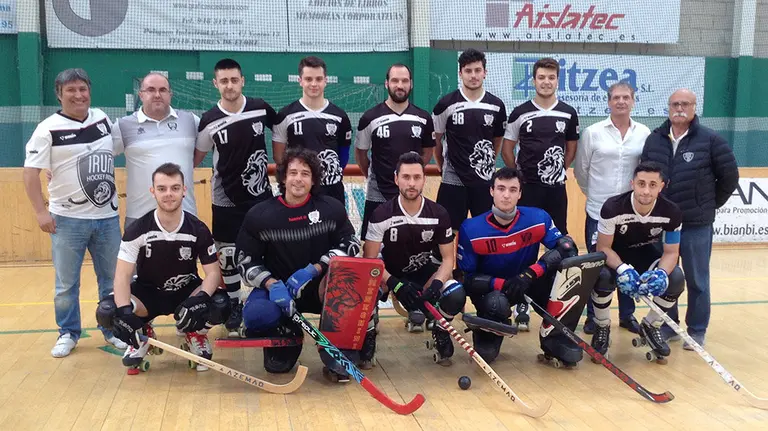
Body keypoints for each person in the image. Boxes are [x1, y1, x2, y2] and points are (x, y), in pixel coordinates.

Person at [23, 68, 125, 357]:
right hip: (67, 221)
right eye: (71, 90)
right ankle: (68, 332)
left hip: (106, 219)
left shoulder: (103, 119)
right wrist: (41, 212)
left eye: (82, 89)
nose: (78, 95)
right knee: (66, 284)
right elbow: (30, 174)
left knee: (112, 280)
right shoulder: (47, 129)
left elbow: (112, 149)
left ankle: (112, 329)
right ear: (59, 94)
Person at [235, 147, 362, 382]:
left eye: (305, 173)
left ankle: (336, 344)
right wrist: (271, 283)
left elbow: (351, 244)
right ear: (283, 177)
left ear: (313, 180)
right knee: (256, 316)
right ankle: (287, 328)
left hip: (319, 287)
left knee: (352, 290)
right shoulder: (260, 215)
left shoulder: (330, 208)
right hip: (280, 291)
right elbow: (243, 261)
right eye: (293, 172)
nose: (298, 179)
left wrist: (315, 269)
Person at [96, 163, 227, 371]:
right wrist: (125, 314)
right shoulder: (137, 229)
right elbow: (122, 275)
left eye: (175, 188)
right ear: (153, 191)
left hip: (185, 294)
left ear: (184, 191)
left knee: (221, 303)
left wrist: (200, 300)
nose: (168, 194)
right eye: (162, 188)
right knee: (107, 311)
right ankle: (141, 335)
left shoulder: (198, 229)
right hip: (147, 295)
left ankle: (196, 333)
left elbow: (212, 273)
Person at [641, 89, 739, 348]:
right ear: (668, 107)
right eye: (674, 104)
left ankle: (696, 330)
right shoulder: (654, 139)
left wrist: (708, 205)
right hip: (663, 224)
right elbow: (645, 177)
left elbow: (730, 177)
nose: (679, 108)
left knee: (697, 280)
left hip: (697, 224)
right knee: (665, 278)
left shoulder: (711, 140)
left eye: (685, 104)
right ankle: (668, 326)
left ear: (695, 107)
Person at [457, 167, 578, 363]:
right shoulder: (471, 229)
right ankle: (487, 334)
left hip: (528, 282)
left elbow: (567, 249)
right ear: (491, 191)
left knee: (570, 280)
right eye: (501, 189)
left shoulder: (538, 218)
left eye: (513, 190)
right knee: (496, 306)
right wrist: (502, 285)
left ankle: (554, 340)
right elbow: (467, 279)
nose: (506, 195)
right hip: (493, 292)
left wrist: (531, 273)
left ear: (520, 193)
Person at [194, 59, 277, 337]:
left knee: (266, 251)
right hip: (225, 198)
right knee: (227, 255)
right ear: (215, 84)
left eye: (234, 79)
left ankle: (264, 302)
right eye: (224, 81)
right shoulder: (208, 120)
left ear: (243, 80)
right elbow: (197, 156)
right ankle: (233, 303)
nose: (229, 85)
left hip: (260, 196)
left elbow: (280, 133)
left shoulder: (260, 108)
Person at [500, 57, 579, 328]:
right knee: (525, 245)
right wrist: (521, 177)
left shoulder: (568, 112)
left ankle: (556, 301)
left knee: (560, 245)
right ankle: (523, 301)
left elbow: (571, 149)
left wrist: (556, 172)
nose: (546, 82)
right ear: (533, 81)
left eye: (551, 77)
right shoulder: (520, 112)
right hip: (529, 191)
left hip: (556, 191)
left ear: (557, 80)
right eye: (541, 77)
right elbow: (507, 149)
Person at [362, 153, 463, 363]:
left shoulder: (439, 213)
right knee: (363, 289)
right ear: (396, 178)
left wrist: (436, 285)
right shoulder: (381, 214)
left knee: (455, 293)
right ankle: (368, 333)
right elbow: (370, 261)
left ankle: (441, 329)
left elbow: (447, 260)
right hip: (389, 277)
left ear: (424, 179)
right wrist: (395, 284)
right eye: (406, 177)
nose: (411, 183)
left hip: (424, 273)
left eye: (417, 177)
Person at [574, 82, 651, 335]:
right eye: (616, 97)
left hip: (632, 215)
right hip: (598, 212)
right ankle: (594, 317)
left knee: (626, 265)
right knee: (597, 266)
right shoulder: (593, 133)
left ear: (633, 101)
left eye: (626, 97)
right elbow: (581, 171)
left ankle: (627, 316)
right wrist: (596, 197)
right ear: (608, 102)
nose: (621, 101)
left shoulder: (644, 133)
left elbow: (644, 171)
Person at [591, 162, 685, 361]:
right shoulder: (612, 207)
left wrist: (660, 274)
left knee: (675, 277)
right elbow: (603, 248)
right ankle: (602, 326)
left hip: (645, 253)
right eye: (641, 184)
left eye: (652, 185)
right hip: (613, 255)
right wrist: (622, 268)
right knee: (601, 276)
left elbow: (671, 252)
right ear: (632, 184)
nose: (646, 190)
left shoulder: (672, 212)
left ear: (662, 186)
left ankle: (651, 325)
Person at [355, 64, 435, 240]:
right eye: (395, 81)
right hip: (378, 192)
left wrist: (414, 175)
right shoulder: (370, 118)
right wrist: (372, 175)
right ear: (386, 84)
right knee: (372, 245)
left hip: (411, 192)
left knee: (411, 243)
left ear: (411, 84)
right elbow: (361, 153)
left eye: (404, 81)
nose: (400, 85)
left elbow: (428, 151)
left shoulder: (423, 118)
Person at [112, 72, 199, 229]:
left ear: (170, 94)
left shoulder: (191, 121)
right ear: (141, 94)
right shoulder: (123, 126)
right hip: (139, 218)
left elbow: (208, 147)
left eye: (163, 90)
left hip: (185, 216)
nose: (157, 95)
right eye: (151, 90)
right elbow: (101, 156)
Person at [432, 48, 507, 231]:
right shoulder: (446, 104)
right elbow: (436, 140)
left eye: (477, 70)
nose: (473, 75)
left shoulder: (496, 106)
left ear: (485, 72)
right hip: (453, 180)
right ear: (460, 73)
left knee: (487, 231)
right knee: (448, 232)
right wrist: (443, 165)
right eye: (468, 71)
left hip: (484, 181)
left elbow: (497, 141)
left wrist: (487, 164)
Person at [272, 56, 352, 205]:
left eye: (318, 79)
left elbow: (344, 155)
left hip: (331, 190)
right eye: (308, 79)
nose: (314, 84)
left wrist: (327, 175)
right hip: (299, 189)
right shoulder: (285, 115)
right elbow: (279, 157)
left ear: (325, 81)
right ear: (300, 81)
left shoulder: (340, 116)